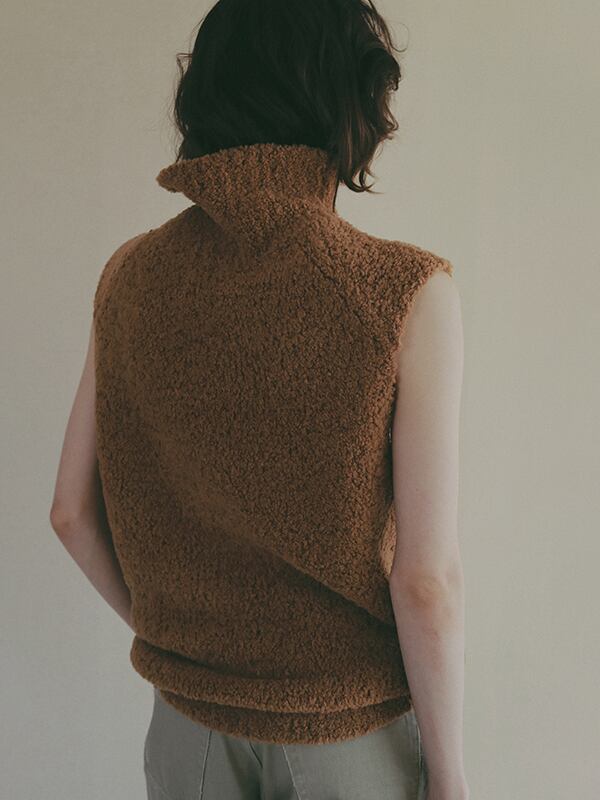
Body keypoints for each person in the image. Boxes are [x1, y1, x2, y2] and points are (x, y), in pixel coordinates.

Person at [50, 1, 467, 798]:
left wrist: (189, 650)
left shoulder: (128, 276)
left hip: (188, 731)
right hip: (348, 737)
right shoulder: (405, 292)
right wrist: (449, 779)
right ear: (352, 99)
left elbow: (70, 513)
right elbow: (426, 583)